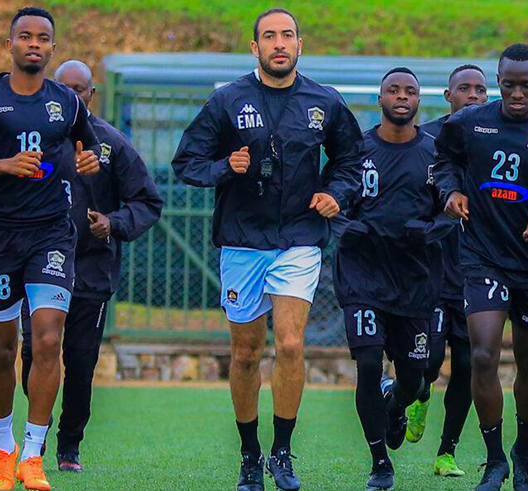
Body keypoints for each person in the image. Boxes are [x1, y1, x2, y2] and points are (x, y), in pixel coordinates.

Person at [172, 8, 363, 491]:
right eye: (269, 37)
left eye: (288, 35)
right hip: (241, 241)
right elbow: (187, 162)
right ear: (254, 48)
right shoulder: (227, 101)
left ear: (301, 45)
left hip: (299, 239)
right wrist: (224, 167)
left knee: (292, 344)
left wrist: (336, 193)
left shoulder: (326, 101)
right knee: (245, 352)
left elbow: (351, 161)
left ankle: (282, 452)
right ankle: (249, 454)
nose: (280, 43)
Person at [0, 7, 100, 491]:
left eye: (43, 38)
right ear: (9, 45)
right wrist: (1, 165)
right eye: (25, 36)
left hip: (52, 234)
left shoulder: (67, 104)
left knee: (48, 340)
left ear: (53, 48)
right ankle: (2, 445)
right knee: (2, 349)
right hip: (0, 236)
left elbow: (87, 149)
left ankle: (33, 454)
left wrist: (88, 160)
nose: (34, 44)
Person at [434, 44, 528, 491]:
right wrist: (451, 191)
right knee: (482, 353)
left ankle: (525, 451)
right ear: (499, 82)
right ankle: (495, 457)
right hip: (481, 257)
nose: (517, 93)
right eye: (509, 85)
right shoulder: (469, 122)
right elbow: (444, 160)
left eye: (527, 85)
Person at [19, 59, 164, 473]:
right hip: (39, 265)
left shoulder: (110, 143)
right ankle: (35, 439)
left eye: (79, 90)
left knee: (79, 364)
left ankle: (69, 446)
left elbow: (148, 201)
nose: (72, 97)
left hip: (91, 271)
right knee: (33, 352)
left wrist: (112, 223)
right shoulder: (31, 136)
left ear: (91, 94)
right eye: (63, 88)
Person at [332, 67, 450, 491]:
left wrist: (430, 229)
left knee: (416, 378)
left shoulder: (437, 154)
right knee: (367, 363)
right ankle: (380, 462)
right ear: (380, 98)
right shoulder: (356, 150)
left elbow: (451, 210)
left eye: (410, 91)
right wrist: (345, 226)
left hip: (414, 280)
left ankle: (395, 401)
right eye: (393, 90)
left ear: (420, 101)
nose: (402, 96)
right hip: (362, 274)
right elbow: (333, 199)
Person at [404, 64, 488, 478]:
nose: (473, 95)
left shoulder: (496, 134)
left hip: (480, 270)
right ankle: (418, 395)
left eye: (480, 90)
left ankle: (446, 453)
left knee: (469, 365)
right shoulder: (428, 139)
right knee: (429, 361)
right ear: (447, 95)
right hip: (434, 271)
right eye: (464, 89)